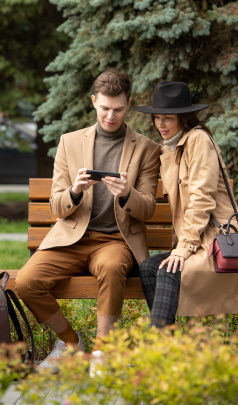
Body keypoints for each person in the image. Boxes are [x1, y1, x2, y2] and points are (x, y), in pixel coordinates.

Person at [15, 69, 160, 370]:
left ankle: (102, 353)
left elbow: (146, 209)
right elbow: (57, 205)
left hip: (115, 241)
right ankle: (71, 342)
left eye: (118, 109)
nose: (111, 115)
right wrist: (76, 190)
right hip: (72, 238)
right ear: (94, 102)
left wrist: (126, 193)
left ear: (128, 104)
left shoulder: (146, 149)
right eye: (105, 107)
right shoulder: (69, 143)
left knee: (110, 267)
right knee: (27, 281)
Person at [134, 81, 238, 328]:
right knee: (148, 267)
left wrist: (183, 248)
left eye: (168, 118)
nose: (160, 125)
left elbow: (201, 199)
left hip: (218, 240)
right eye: (156, 118)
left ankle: (157, 350)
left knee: (168, 269)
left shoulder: (198, 140)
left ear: (183, 117)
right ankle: (167, 348)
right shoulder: (171, 149)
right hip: (198, 240)